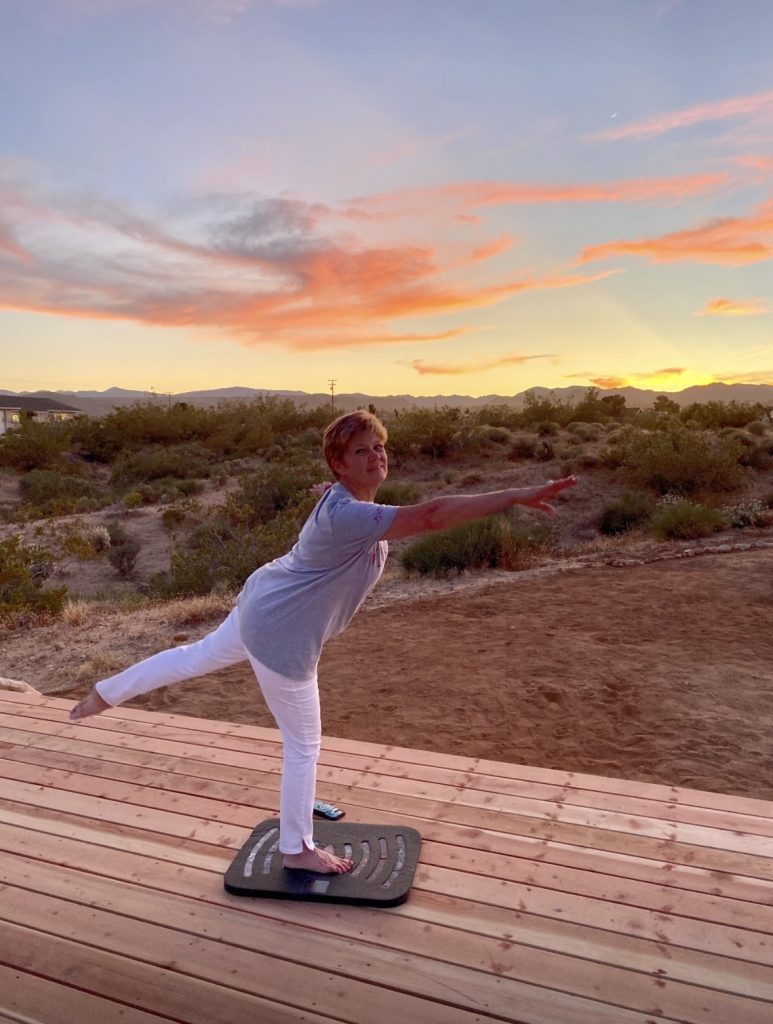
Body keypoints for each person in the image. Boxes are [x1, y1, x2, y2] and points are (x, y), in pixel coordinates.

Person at [70, 411, 576, 874]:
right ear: (339, 463)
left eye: (379, 447)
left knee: (196, 656)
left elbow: (345, 503)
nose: (376, 456)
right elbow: (431, 516)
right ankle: (297, 850)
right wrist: (514, 495)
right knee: (304, 744)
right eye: (361, 451)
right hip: (280, 631)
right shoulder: (349, 515)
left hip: (262, 601)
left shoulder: (345, 500)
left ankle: (104, 694)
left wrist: (329, 486)